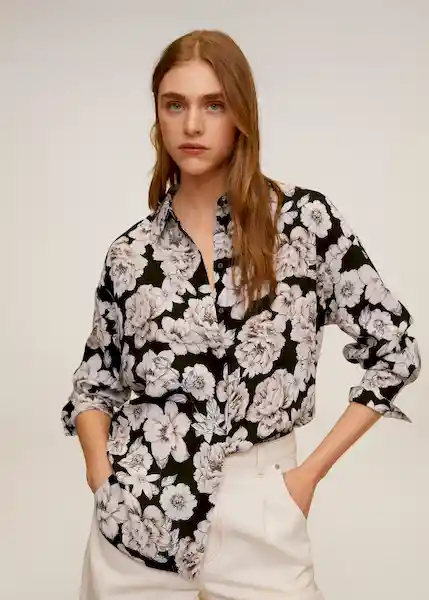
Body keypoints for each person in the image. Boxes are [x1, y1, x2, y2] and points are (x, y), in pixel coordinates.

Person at [61, 29, 421, 600]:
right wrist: (102, 478)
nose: (192, 124)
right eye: (174, 105)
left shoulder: (303, 224)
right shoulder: (130, 255)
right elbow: (94, 384)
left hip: (262, 507)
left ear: (241, 115)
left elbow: (395, 351)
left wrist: (304, 479)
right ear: (157, 115)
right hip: (137, 517)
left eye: (214, 105)